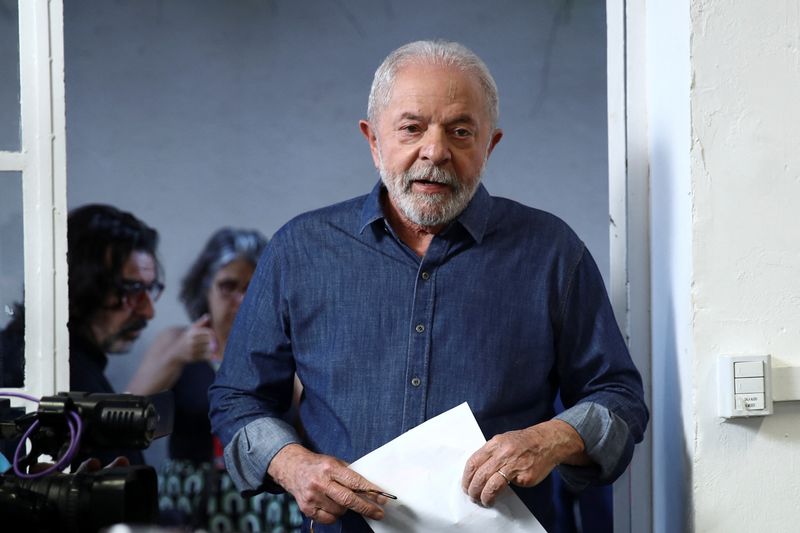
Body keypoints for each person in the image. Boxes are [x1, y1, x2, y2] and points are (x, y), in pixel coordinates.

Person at [209, 40, 649, 532]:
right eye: (412, 128)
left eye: (461, 132)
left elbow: (619, 397)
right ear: (373, 139)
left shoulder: (552, 252)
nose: (435, 151)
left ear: (491, 145)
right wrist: (292, 464)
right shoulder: (299, 250)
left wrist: (556, 436)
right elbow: (236, 399)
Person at [128, 228, 302, 532]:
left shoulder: (283, 350)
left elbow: (310, 418)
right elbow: (127, 406)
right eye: (228, 286)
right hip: (191, 494)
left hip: (265, 492)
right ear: (204, 290)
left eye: (251, 287)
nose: (241, 299)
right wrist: (176, 357)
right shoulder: (176, 340)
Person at [67, 203, 163, 466]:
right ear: (81, 283)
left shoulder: (79, 366)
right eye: (132, 289)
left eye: (149, 289)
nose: (148, 311)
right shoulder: (58, 373)